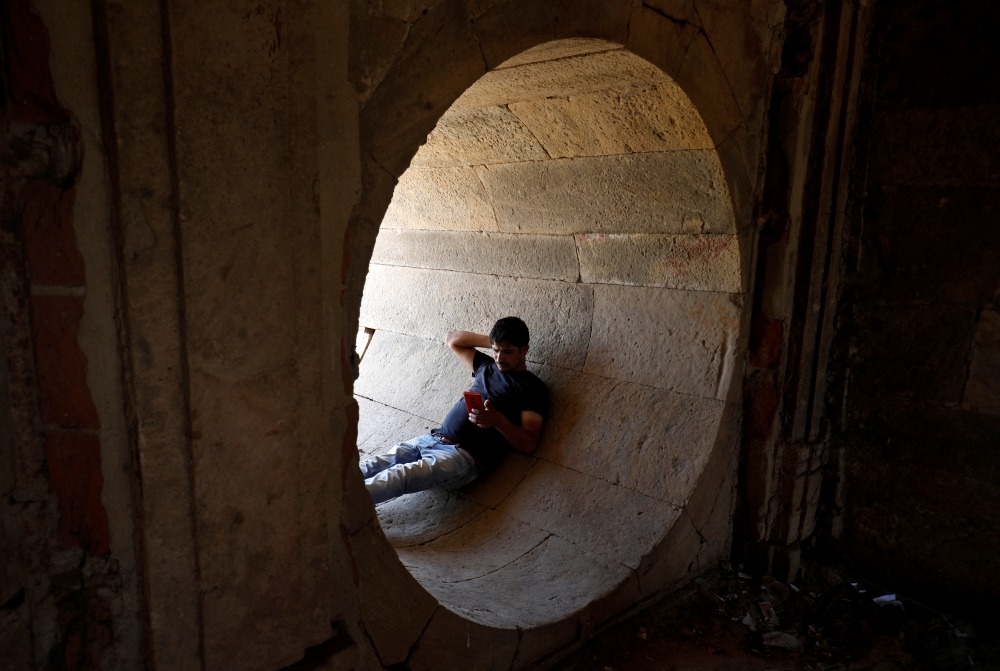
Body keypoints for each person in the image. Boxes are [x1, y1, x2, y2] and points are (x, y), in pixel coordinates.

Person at [360, 316, 548, 504]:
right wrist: (493, 340)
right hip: (432, 439)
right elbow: (452, 339)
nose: (499, 357)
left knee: (398, 475)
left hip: (461, 457)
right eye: (496, 350)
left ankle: (338, 508)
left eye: (507, 351)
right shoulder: (486, 366)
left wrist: (498, 420)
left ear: (524, 350)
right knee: (374, 464)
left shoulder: (532, 388)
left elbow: (529, 444)